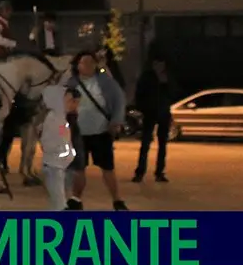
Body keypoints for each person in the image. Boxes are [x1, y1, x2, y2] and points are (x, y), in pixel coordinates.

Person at [65, 50, 129, 210]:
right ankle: (75, 200)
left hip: (101, 132)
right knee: (78, 168)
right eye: (83, 63)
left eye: (90, 62)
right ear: (77, 65)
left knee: (107, 168)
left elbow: (119, 100)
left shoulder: (106, 82)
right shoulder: (71, 83)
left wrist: (116, 121)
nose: (87, 66)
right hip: (78, 133)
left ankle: (117, 200)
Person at [133, 55, 176, 183]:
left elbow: (174, 93)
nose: (159, 66)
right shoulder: (147, 77)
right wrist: (142, 109)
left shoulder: (168, 77)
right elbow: (139, 94)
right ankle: (140, 172)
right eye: (157, 64)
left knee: (162, 145)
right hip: (150, 113)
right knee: (145, 144)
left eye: (161, 64)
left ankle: (159, 172)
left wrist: (166, 83)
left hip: (163, 113)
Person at [39, 85, 79, 210]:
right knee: (59, 205)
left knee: (58, 203)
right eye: (70, 101)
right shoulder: (54, 119)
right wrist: (62, 152)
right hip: (54, 166)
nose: (74, 105)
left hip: (60, 166)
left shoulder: (61, 119)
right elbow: (48, 143)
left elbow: (64, 140)